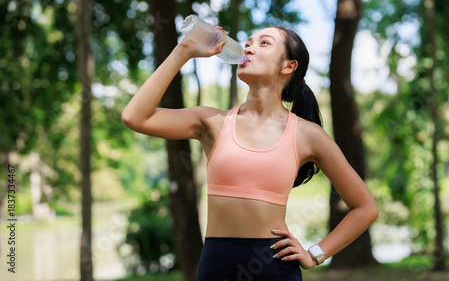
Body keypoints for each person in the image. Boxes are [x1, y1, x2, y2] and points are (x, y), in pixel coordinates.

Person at [121, 23, 379, 280]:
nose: (249, 48)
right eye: (248, 43)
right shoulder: (212, 122)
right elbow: (135, 117)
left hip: (274, 268)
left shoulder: (308, 134)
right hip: (215, 268)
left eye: (264, 43)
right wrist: (183, 50)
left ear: (288, 66)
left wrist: (315, 254)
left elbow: (365, 208)